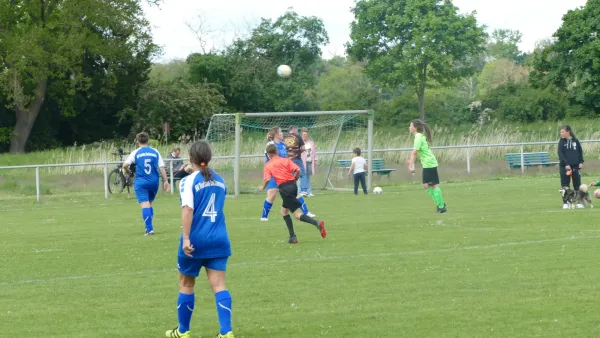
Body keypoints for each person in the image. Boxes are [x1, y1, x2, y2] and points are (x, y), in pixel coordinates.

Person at [165, 140, 234, 338]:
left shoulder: (188, 181)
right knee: (219, 285)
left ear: (191, 158)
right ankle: (226, 332)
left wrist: (186, 238)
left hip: (196, 241)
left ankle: (183, 331)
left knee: (186, 284)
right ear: (209, 157)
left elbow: (188, 209)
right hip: (219, 238)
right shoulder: (221, 180)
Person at [259, 144, 326, 244]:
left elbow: (268, 179)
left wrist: (263, 187)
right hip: (293, 186)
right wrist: (295, 178)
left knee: (297, 214)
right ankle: (292, 237)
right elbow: (297, 170)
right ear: (277, 152)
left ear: (268, 155)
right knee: (284, 212)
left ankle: (316, 223)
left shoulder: (268, 165)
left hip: (284, 189)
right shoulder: (285, 160)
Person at [123, 132, 170, 235]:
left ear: (137, 141)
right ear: (148, 141)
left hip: (141, 182)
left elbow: (125, 165)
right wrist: (166, 181)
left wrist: (129, 172)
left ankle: (149, 229)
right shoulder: (155, 151)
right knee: (149, 204)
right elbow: (161, 167)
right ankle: (148, 227)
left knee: (145, 204)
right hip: (154, 182)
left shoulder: (136, 152)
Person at [406, 119, 447, 213]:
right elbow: (415, 153)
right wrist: (410, 162)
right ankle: (440, 203)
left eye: (410, 125)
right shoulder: (419, 136)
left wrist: (410, 165)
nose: (409, 127)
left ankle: (441, 206)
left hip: (429, 164)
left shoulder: (418, 138)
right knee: (427, 185)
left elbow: (414, 153)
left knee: (433, 185)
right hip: (428, 163)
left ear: (415, 128)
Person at [283, 125, 316, 217]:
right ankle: (304, 190)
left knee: (292, 187)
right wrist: (301, 150)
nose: (298, 132)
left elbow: (283, 149)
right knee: (302, 175)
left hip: (287, 161)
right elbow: (302, 149)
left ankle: (305, 212)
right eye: (296, 130)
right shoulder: (297, 137)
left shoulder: (284, 138)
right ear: (294, 130)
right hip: (296, 160)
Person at [261, 127, 289, 221]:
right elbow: (270, 158)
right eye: (280, 132)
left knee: (292, 193)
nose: (282, 133)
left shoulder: (284, 145)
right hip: (273, 173)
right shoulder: (270, 144)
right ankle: (264, 216)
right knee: (272, 195)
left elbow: (286, 158)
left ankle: (305, 212)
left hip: (282, 173)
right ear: (276, 134)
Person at [558, 125, 584, 209]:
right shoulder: (561, 142)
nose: (561, 133)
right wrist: (566, 164)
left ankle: (579, 202)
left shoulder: (575, 141)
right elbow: (560, 153)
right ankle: (565, 203)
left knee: (577, 184)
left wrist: (581, 162)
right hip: (565, 167)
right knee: (565, 185)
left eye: (562, 132)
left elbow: (580, 152)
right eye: (561, 132)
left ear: (568, 132)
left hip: (576, 166)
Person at [300, 128, 317, 197]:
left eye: (306, 134)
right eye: (303, 135)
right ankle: (301, 191)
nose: (305, 136)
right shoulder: (300, 143)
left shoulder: (311, 143)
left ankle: (309, 191)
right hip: (302, 162)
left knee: (308, 177)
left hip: (310, 162)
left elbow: (314, 152)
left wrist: (315, 159)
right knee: (302, 177)